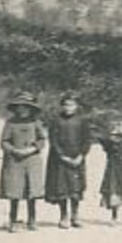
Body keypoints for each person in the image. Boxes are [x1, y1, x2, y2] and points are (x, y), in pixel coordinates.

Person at [0, 91, 47, 232]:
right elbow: (4, 141)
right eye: (20, 107)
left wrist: (31, 149)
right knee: (14, 192)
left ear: (31, 109)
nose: (23, 109)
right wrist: (14, 150)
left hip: (32, 161)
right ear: (16, 108)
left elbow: (42, 140)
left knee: (31, 191)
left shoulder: (36, 123)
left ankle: (32, 220)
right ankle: (13, 220)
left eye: (26, 107)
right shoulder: (10, 123)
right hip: (14, 161)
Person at [44, 93, 92, 229]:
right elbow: (53, 140)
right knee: (62, 188)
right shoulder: (56, 120)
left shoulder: (82, 121)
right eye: (65, 104)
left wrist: (81, 155)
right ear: (61, 106)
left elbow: (87, 140)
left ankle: (75, 215)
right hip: (60, 159)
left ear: (76, 106)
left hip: (77, 158)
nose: (68, 107)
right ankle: (63, 216)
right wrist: (61, 155)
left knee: (75, 188)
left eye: (71, 104)